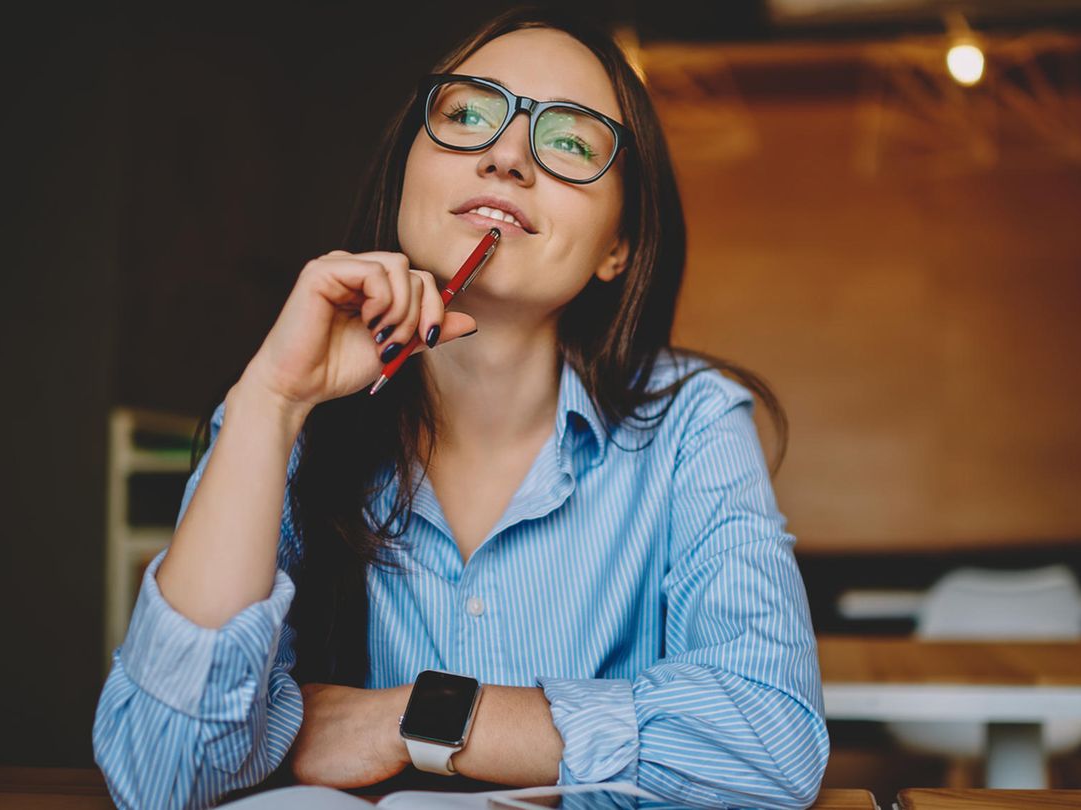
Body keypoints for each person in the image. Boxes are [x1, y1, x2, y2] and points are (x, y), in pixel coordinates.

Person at [92, 8, 829, 809]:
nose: (507, 155)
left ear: (620, 245)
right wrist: (272, 401)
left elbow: (770, 744)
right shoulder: (288, 410)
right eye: (469, 114)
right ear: (406, 172)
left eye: (571, 142)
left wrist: (421, 717)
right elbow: (160, 774)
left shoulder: (692, 424)